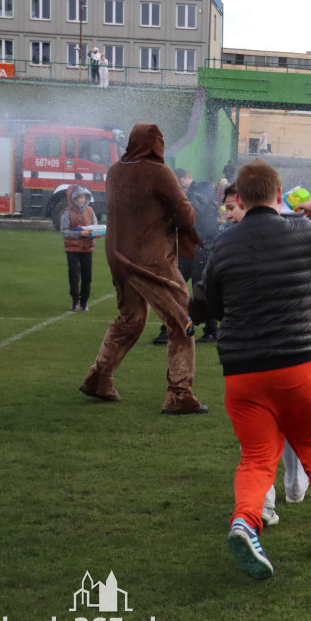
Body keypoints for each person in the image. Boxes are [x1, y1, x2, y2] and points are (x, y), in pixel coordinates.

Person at [192, 160, 311, 580]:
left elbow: (210, 306)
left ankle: (246, 521)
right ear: (280, 193)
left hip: (241, 371)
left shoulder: (224, 244)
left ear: (239, 198)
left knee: (255, 457)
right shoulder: (302, 230)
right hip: (292, 363)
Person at [79, 123, 207, 415]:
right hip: (151, 258)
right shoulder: (159, 172)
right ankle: (180, 394)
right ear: (156, 144)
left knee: (131, 319)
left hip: (117, 255)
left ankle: (99, 377)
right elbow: (186, 217)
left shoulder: (115, 170)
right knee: (183, 321)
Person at [213, 181, 310, 529]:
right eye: (226, 209)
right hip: (266, 357)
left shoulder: (286, 233)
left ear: (248, 202)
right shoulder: (228, 243)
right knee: (259, 440)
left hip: (273, 355)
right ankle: (265, 506)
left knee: (288, 428)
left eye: (233, 207)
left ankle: (291, 490)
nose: (229, 215)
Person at [153, 168, 220, 344]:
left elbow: (194, 207)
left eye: (178, 182)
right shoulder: (180, 196)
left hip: (204, 247)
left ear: (187, 177)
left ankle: (211, 330)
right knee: (174, 288)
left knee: (201, 290)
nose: (176, 187)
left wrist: (173, 202)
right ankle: (169, 330)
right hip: (186, 248)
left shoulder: (205, 187)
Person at [59, 185, 98, 312]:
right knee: (74, 276)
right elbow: (64, 232)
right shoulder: (67, 212)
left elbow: (95, 227)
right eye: (80, 197)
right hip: (73, 250)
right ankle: (75, 300)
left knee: (87, 277)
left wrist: (96, 233)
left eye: (84, 197)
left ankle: (84, 302)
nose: (83, 199)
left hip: (87, 249)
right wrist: (81, 233)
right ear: (73, 199)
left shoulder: (90, 211)